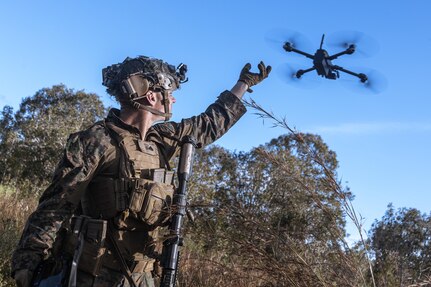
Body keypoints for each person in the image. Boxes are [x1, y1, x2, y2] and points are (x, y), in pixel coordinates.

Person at [11, 55, 271, 287]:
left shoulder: (162, 139)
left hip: (142, 277)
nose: (174, 99)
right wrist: (27, 263)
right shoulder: (98, 140)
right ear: (151, 96)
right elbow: (55, 205)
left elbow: (209, 124)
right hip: (91, 277)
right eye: (169, 91)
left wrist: (243, 84)